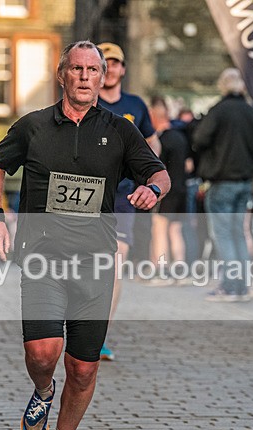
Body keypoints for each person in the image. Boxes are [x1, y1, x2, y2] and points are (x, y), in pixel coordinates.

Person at [0, 40, 170, 430]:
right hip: (43, 257)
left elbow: (158, 171)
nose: (85, 76)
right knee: (43, 353)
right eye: (77, 69)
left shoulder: (120, 130)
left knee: (83, 367)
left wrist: (154, 190)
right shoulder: (32, 127)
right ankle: (43, 391)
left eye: (93, 69)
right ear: (62, 74)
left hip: (95, 261)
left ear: (103, 77)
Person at [96, 41, 161, 360]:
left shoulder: (135, 105)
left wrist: (148, 177)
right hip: (87, 194)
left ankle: (98, 337)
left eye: (115, 62)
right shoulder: (84, 101)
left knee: (115, 264)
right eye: (102, 62)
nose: (110, 68)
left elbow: (153, 144)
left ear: (123, 69)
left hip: (123, 196)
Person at [193, 68, 253, 302]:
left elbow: (199, 139)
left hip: (221, 179)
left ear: (223, 86)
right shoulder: (252, 112)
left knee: (223, 236)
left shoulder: (219, 110)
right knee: (239, 234)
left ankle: (230, 286)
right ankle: (242, 286)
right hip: (245, 181)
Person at [149, 96, 189, 280]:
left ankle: (161, 271)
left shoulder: (162, 141)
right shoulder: (181, 137)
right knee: (175, 230)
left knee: (160, 228)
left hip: (167, 191)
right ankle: (180, 271)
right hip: (182, 189)